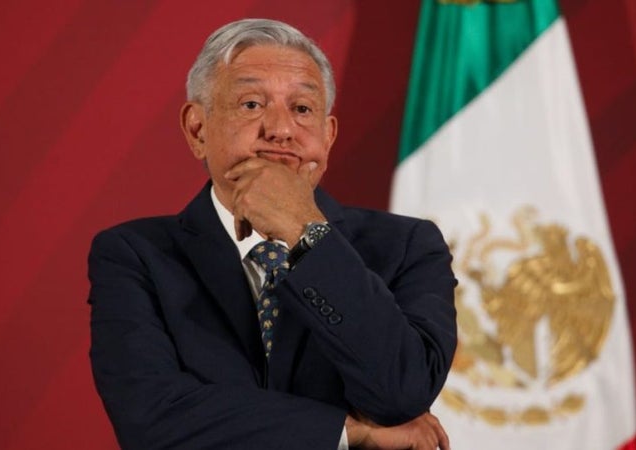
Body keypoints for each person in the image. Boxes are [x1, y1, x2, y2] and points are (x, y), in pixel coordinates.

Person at [88, 18, 457, 450]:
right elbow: (151, 420)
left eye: (302, 109)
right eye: (251, 104)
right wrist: (350, 432)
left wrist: (306, 232)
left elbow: (402, 392)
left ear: (327, 136)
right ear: (197, 129)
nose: (281, 129)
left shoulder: (408, 246)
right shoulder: (134, 255)